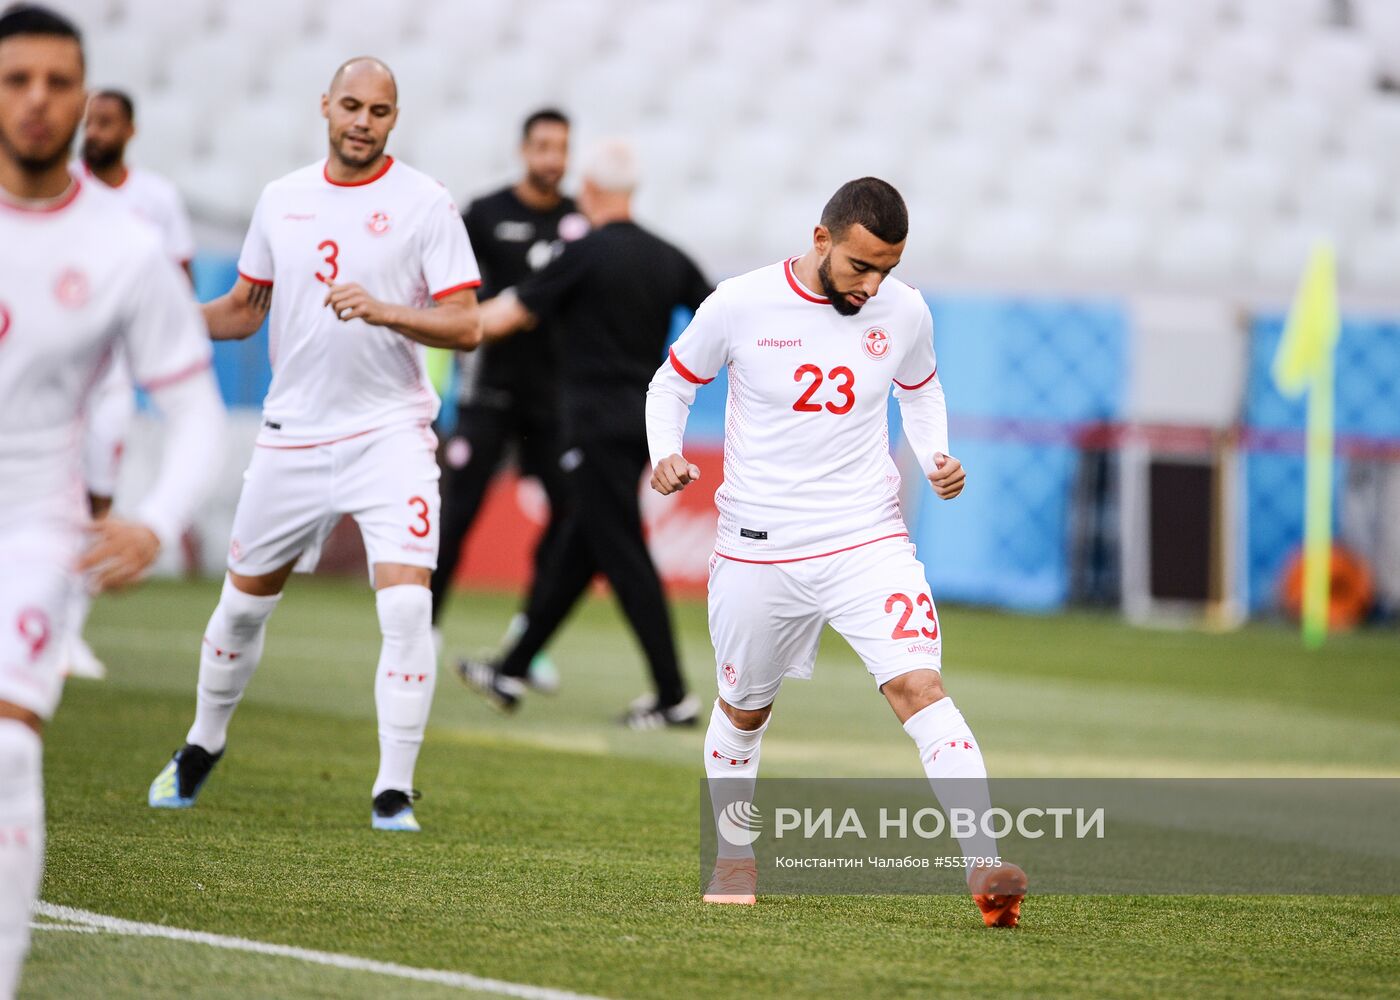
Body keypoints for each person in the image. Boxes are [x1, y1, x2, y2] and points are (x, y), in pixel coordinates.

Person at [646, 177, 1027, 926]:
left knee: (919, 685)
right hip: (759, 545)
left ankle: (984, 865)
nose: (873, 283)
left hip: (865, 535)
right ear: (821, 240)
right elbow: (672, 384)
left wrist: (935, 454)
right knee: (744, 710)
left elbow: (919, 388)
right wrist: (664, 454)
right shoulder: (740, 303)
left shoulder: (905, 309)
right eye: (861, 266)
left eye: (887, 267)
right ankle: (732, 854)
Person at [146, 56, 483, 833]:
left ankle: (393, 790)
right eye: (352, 106)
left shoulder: (426, 203)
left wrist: (387, 311)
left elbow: (466, 322)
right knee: (237, 613)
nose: (364, 122)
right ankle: (202, 744)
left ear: (395, 119)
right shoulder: (282, 200)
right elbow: (242, 309)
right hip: (291, 438)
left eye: (381, 111)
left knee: (406, 607)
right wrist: (162, 320)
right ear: (325, 107)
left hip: (390, 434)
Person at [0, 6, 226, 996]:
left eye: (58, 82)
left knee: (7, 746)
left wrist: (154, 519)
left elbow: (195, 410)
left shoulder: (125, 246)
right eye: (16, 81)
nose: (38, 101)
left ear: (86, 98)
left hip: (36, 527)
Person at [458, 139, 709, 730]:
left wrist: (428, 324)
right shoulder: (667, 256)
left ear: (590, 191)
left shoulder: (582, 254)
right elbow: (719, 315)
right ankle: (512, 669)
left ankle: (673, 696)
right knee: (582, 544)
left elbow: (511, 315)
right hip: (644, 422)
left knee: (620, 552)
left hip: (589, 425)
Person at [431, 108, 588, 688]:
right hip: (489, 393)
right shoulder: (485, 214)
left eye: (561, 148)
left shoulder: (581, 221)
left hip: (554, 401)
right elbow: (456, 294)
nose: (552, 158)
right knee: (457, 515)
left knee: (571, 515)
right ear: (524, 149)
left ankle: (527, 641)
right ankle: (422, 635)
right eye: (543, 146)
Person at [58, 87, 198, 680]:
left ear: (131, 131)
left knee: (95, 494)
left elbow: (180, 281)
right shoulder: (59, 185)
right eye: (90, 122)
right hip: (52, 364)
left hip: (112, 372)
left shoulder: (156, 198)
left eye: (108, 122)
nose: (96, 131)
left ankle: (67, 629)